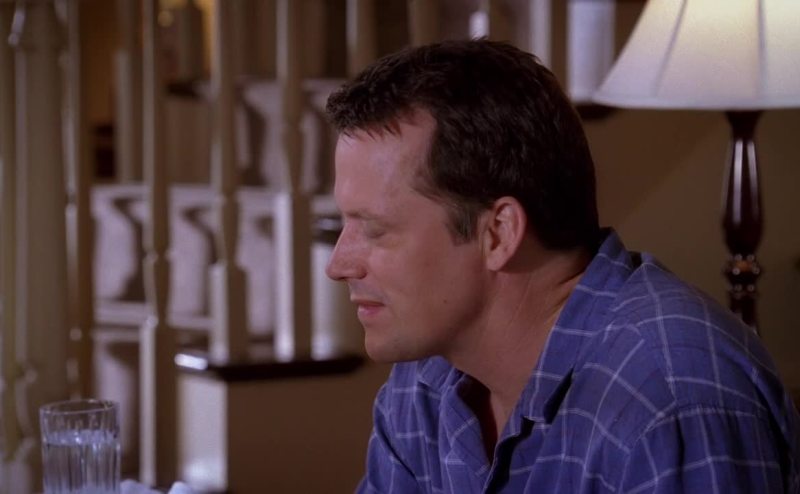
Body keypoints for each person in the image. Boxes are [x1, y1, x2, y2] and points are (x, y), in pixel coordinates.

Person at [324, 39, 800, 493]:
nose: (338, 265)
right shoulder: (426, 381)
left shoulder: (669, 398)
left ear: (499, 233)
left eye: (375, 230)